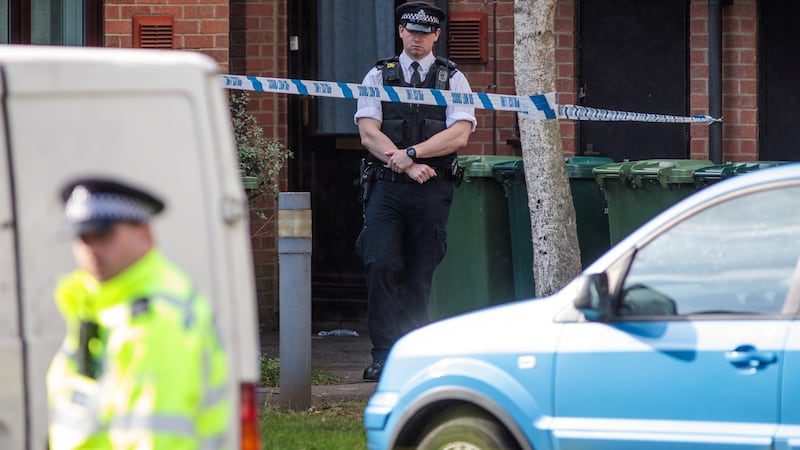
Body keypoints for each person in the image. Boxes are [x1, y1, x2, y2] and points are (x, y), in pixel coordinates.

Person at [47, 178, 229, 449]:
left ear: (145, 235)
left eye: (104, 235)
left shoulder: (157, 318)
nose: (92, 250)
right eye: (83, 237)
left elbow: (157, 437)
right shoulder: (100, 306)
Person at [354, 1, 476, 381]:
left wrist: (412, 153)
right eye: (411, 31)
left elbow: (460, 133)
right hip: (387, 187)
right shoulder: (378, 74)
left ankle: (417, 354)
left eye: (425, 33)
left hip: (432, 187)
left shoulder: (452, 78)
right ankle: (384, 354)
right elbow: (368, 132)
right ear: (401, 32)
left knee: (421, 270)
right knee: (381, 264)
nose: (417, 39)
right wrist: (403, 162)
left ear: (436, 35)